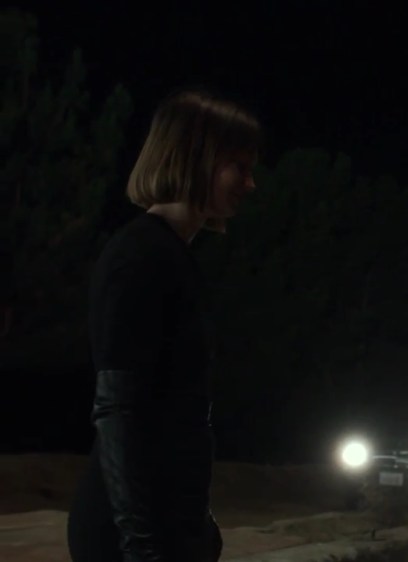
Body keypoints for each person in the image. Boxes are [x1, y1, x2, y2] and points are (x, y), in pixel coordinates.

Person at [67, 90, 261, 562]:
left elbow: (176, 412)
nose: (250, 184)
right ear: (196, 158)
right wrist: (141, 546)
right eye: (238, 167)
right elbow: (118, 410)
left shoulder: (174, 257)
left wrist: (198, 522)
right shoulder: (140, 256)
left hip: (166, 526)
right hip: (131, 535)